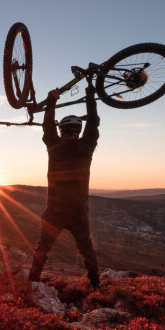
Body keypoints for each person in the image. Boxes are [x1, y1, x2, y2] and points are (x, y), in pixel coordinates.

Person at [28, 82, 101, 288]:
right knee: (86, 248)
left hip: (55, 211)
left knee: (43, 247)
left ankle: (33, 280)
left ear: (61, 131)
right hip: (79, 211)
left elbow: (47, 125)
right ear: (78, 130)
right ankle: (96, 284)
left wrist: (52, 99)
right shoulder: (86, 147)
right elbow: (94, 122)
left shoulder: (54, 147)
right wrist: (90, 94)